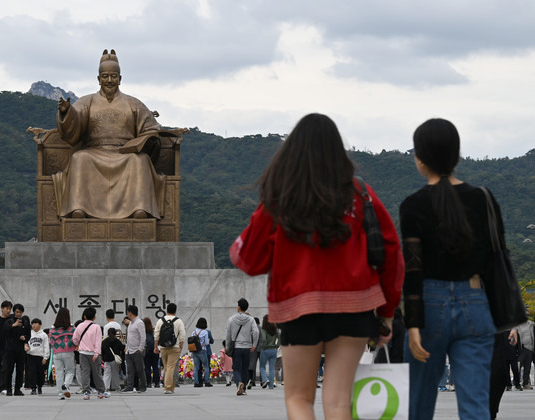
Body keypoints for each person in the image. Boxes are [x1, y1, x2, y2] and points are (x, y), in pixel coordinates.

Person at [229, 114, 403, 419]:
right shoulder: (359, 194)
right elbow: (391, 253)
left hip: (299, 309)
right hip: (355, 308)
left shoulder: (281, 198)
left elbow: (248, 258)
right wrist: (387, 312)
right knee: (338, 403)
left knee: (298, 399)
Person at [401, 118, 499, 419]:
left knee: (418, 405)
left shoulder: (413, 205)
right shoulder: (482, 198)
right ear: (456, 156)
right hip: (476, 302)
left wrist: (413, 324)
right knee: (475, 406)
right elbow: (495, 259)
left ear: (419, 159)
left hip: (429, 306)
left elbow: (413, 270)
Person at [53, 48, 165, 220]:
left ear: (120, 79)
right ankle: (78, 209)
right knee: (79, 158)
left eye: (113, 76)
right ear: (98, 79)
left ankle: (140, 209)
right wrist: (66, 113)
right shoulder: (86, 102)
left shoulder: (134, 103)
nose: (109, 80)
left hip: (125, 153)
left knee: (140, 160)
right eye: (105, 76)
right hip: (94, 151)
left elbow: (151, 128)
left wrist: (150, 138)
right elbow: (72, 128)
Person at [224, 298, 259, 396]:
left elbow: (228, 334)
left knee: (236, 368)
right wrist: (254, 344)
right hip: (247, 347)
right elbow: (256, 332)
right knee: (245, 368)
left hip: (236, 347)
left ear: (239, 307)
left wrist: (227, 346)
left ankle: (239, 383)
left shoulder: (231, 319)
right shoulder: (251, 319)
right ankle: (243, 389)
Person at [72, 307, 106, 400]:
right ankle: (100, 391)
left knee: (85, 373)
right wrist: (97, 353)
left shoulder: (79, 326)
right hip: (94, 353)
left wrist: (79, 344)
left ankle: (86, 392)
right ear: (94, 317)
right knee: (97, 373)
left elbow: (74, 339)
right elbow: (98, 341)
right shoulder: (97, 327)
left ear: (84, 316)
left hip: (82, 353)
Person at [153, 302, 185, 394]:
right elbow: (182, 334)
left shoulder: (160, 320)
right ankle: (167, 387)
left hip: (163, 347)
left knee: (167, 367)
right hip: (175, 347)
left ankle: (171, 387)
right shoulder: (178, 321)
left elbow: (156, 334)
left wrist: (156, 347)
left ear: (166, 310)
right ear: (175, 311)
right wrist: (181, 345)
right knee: (171, 367)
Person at [3, 303, 30, 396]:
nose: (19, 314)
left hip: (20, 349)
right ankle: (9, 389)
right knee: (9, 369)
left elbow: (28, 335)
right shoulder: (9, 320)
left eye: (20, 312)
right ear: (14, 311)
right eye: (17, 312)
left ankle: (18, 389)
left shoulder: (25, 322)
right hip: (10, 349)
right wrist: (13, 325)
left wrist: (25, 338)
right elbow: (5, 331)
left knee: (20, 369)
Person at [49, 307, 76, 400]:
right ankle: (66, 385)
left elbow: (51, 342)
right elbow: (75, 340)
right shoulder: (72, 328)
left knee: (59, 372)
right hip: (68, 352)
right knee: (70, 371)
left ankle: (60, 394)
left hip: (57, 353)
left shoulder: (52, 329)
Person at [122, 305, 146, 393]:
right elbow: (129, 337)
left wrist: (140, 348)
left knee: (140, 369)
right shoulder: (131, 323)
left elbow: (143, 336)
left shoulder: (139, 322)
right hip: (129, 350)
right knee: (130, 370)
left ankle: (143, 386)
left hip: (136, 350)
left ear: (130, 312)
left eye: (128, 312)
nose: (127, 314)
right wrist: (126, 347)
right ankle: (129, 386)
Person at [25, 318, 49, 395]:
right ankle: (33, 388)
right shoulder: (29, 334)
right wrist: (26, 347)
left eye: (36, 323)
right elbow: (25, 343)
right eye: (33, 324)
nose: (34, 325)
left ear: (40, 325)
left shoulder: (44, 335)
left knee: (40, 373)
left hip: (40, 357)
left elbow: (46, 346)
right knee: (32, 373)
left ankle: (40, 387)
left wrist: (45, 357)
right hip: (31, 356)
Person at [190, 317, 212, 387]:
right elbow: (206, 343)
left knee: (196, 367)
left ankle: (196, 382)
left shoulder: (194, 332)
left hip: (195, 351)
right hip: (202, 350)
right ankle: (207, 381)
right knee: (206, 366)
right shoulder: (205, 332)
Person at [102, 327, 125, 392]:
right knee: (115, 374)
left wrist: (103, 358)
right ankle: (116, 387)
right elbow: (122, 348)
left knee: (106, 374)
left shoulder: (104, 341)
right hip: (115, 360)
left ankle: (106, 387)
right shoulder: (117, 341)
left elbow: (102, 351)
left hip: (107, 360)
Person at [259, 314, 279, 389]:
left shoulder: (263, 330)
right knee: (272, 368)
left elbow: (264, 339)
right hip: (273, 350)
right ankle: (271, 385)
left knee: (262, 366)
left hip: (265, 349)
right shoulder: (275, 329)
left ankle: (265, 379)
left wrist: (264, 345)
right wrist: (277, 345)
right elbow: (280, 337)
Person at [515, 312, 534, 389]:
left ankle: (525, 383)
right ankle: (516, 383)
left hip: (530, 348)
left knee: (527, 367)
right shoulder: (517, 325)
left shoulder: (531, 324)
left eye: (527, 315)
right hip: (521, 348)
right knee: (518, 366)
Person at [143, 317, 160, 388]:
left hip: (147, 351)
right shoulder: (154, 331)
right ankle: (157, 383)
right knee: (155, 367)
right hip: (155, 350)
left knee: (147, 367)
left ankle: (148, 382)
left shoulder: (143, 332)